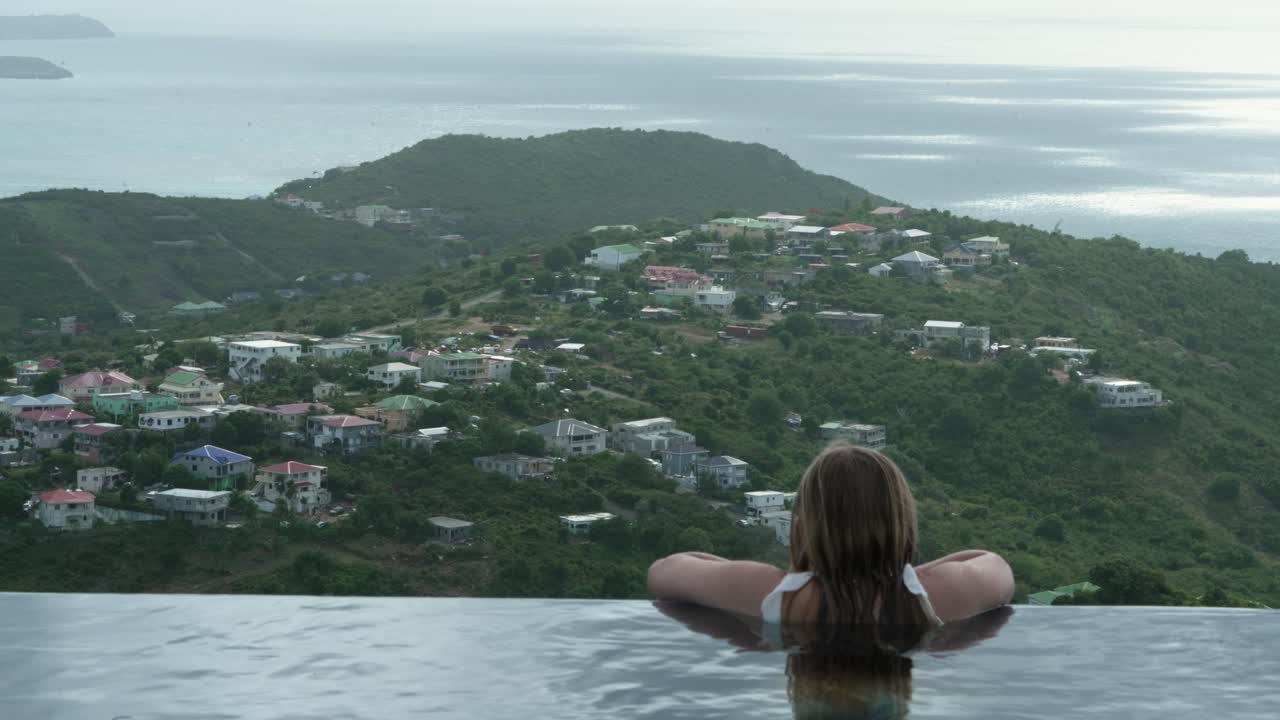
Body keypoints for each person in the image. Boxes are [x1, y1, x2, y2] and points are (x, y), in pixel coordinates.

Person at [647, 443, 1014, 631]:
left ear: (800, 527)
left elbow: (664, 571)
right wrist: (912, 574)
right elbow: (992, 564)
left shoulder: (772, 593)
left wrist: (777, 573)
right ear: (904, 525)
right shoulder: (939, 595)